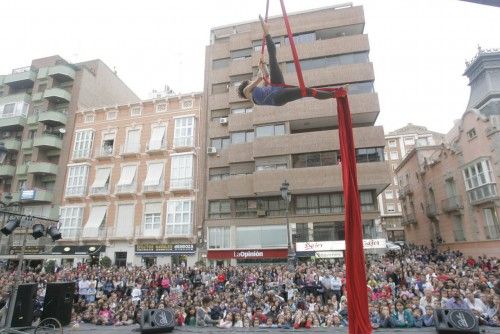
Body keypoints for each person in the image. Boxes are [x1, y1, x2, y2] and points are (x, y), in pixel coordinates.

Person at [237, 15, 333, 106]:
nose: (251, 82)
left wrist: (264, 65)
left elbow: (266, 76)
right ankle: (334, 94)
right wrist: (259, 68)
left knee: (272, 58)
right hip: (278, 97)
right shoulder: (247, 92)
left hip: (275, 86)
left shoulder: (259, 90)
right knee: (306, 91)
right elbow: (260, 78)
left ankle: (267, 32)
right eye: (250, 82)